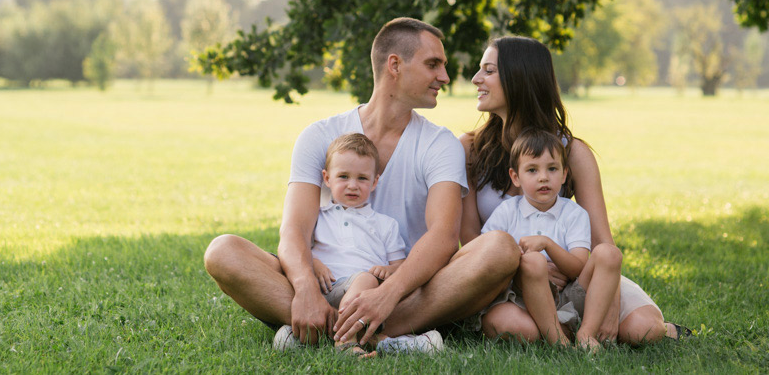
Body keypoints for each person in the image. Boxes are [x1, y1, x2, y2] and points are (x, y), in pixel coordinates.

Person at [204, 18, 520, 351]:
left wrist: (387, 293)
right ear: (395, 65)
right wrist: (306, 288)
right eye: (433, 64)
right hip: (327, 282)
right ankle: (373, 336)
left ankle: (333, 333)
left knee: (500, 248)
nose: (444, 76)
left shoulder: (440, 144)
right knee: (223, 252)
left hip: (404, 292)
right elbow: (295, 229)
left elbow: (443, 237)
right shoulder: (320, 135)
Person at [460, 35, 687, 345]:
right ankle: (560, 331)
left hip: (576, 280)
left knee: (640, 330)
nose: (476, 79)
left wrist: (610, 304)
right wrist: (525, 271)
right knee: (518, 330)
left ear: (520, 78)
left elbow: (602, 242)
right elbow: (471, 241)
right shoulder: (471, 150)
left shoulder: (572, 152)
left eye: (488, 70)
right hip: (509, 285)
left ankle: (653, 328)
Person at [273, 132, 440, 356]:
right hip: (324, 290)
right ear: (327, 178)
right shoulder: (317, 217)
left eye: (362, 178)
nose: (353, 185)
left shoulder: (385, 224)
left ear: (374, 182)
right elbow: (297, 247)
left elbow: (400, 266)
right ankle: (372, 342)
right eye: (343, 176)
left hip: (368, 298)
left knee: (366, 278)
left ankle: (340, 341)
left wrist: (388, 270)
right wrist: (314, 263)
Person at [479, 127, 621, 351]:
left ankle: (586, 333)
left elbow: (577, 267)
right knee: (532, 263)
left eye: (552, 169)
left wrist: (547, 244)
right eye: (532, 170)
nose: (543, 177)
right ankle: (559, 340)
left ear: (564, 174)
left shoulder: (573, 213)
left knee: (609, 253)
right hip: (522, 298)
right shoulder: (507, 211)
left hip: (568, 296)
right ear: (515, 177)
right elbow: (485, 256)